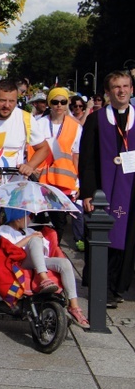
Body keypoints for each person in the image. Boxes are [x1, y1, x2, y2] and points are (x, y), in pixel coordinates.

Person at [79, 70, 135, 307]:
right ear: (108, 92)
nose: (121, 91)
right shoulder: (97, 119)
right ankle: (103, 288)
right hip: (104, 190)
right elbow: (87, 159)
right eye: (116, 87)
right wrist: (88, 193)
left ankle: (118, 286)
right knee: (104, 237)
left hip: (131, 191)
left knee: (128, 239)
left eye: (125, 86)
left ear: (132, 90)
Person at [0, 208, 89, 328]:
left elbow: (45, 250)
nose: (29, 219)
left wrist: (39, 239)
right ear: (18, 218)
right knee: (34, 240)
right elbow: (9, 249)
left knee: (65, 263)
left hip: (39, 260)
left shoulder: (29, 230)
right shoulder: (5, 230)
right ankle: (44, 278)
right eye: (27, 216)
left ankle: (74, 306)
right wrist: (30, 239)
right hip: (19, 261)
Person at [0, 79, 50, 196]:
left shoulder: (25, 119)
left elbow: (43, 148)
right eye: (2, 100)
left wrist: (30, 166)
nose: (7, 105)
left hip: (14, 192)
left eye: (12, 101)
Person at [35, 88, 84, 243]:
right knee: (41, 220)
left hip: (64, 181)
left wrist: (78, 182)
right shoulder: (39, 124)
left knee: (59, 222)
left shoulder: (75, 126)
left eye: (63, 102)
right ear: (49, 103)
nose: (59, 105)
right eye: (55, 102)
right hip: (41, 180)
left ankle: (55, 251)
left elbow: (76, 155)